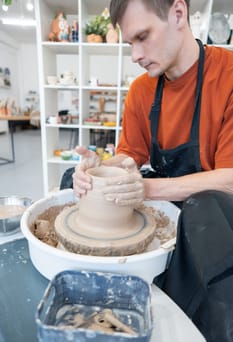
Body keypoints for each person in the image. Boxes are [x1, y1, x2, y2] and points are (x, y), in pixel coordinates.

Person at [73, 0, 233, 207]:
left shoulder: (227, 76)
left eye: (143, 37)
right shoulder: (140, 90)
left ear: (178, 14)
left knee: (202, 211)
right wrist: (100, 170)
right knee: (72, 178)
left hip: (215, 209)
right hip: (163, 190)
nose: (135, 56)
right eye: (131, 43)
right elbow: (130, 157)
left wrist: (146, 189)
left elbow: (229, 181)